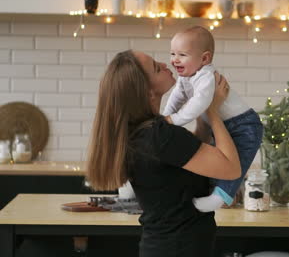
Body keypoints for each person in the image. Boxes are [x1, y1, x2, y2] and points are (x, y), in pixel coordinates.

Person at [86, 50, 241, 257]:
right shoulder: (160, 136)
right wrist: (213, 111)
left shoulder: (144, 132)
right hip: (179, 249)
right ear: (147, 92)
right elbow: (231, 168)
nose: (166, 63)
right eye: (156, 68)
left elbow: (188, 157)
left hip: (165, 246)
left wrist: (203, 114)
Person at [163, 26, 263, 212]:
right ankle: (217, 192)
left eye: (182, 54)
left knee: (236, 164)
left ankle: (220, 197)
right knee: (218, 161)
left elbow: (199, 105)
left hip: (244, 125)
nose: (174, 59)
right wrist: (165, 118)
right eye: (172, 53)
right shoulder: (187, 77)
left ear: (204, 59)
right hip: (223, 125)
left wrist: (174, 120)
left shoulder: (206, 76)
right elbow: (177, 97)